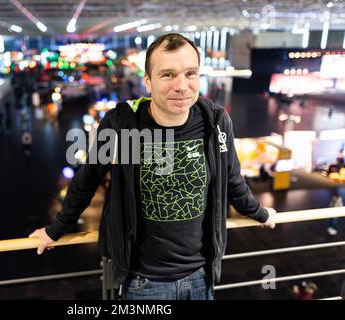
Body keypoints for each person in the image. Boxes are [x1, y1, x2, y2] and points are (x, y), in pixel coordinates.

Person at [29, 33, 276, 300]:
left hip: (201, 277)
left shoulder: (215, 121)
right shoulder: (120, 124)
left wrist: (261, 213)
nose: (181, 86)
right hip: (142, 283)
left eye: (190, 73)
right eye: (168, 75)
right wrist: (56, 230)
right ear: (147, 82)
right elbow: (88, 179)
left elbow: (232, 179)